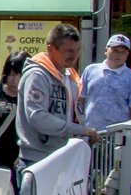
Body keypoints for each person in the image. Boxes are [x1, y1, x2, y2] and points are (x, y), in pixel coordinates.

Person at [16, 23, 96, 168]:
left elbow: (76, 117)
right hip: (37, 160)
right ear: (51, 48)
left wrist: (84, 134)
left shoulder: (70, 76)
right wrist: (81, 130)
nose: (75, 56)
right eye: (69, 51)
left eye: (78, 50)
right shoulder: (37, 75)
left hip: (62, 157)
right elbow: (38, 118)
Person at [82, 34, 131, 133]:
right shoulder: (90, 70)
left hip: (117, 134)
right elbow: (80, 99)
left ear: (127, 54)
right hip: (90, 132)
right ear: (106, 50)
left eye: (123, 52)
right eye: (115, 50)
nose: (118, 54)